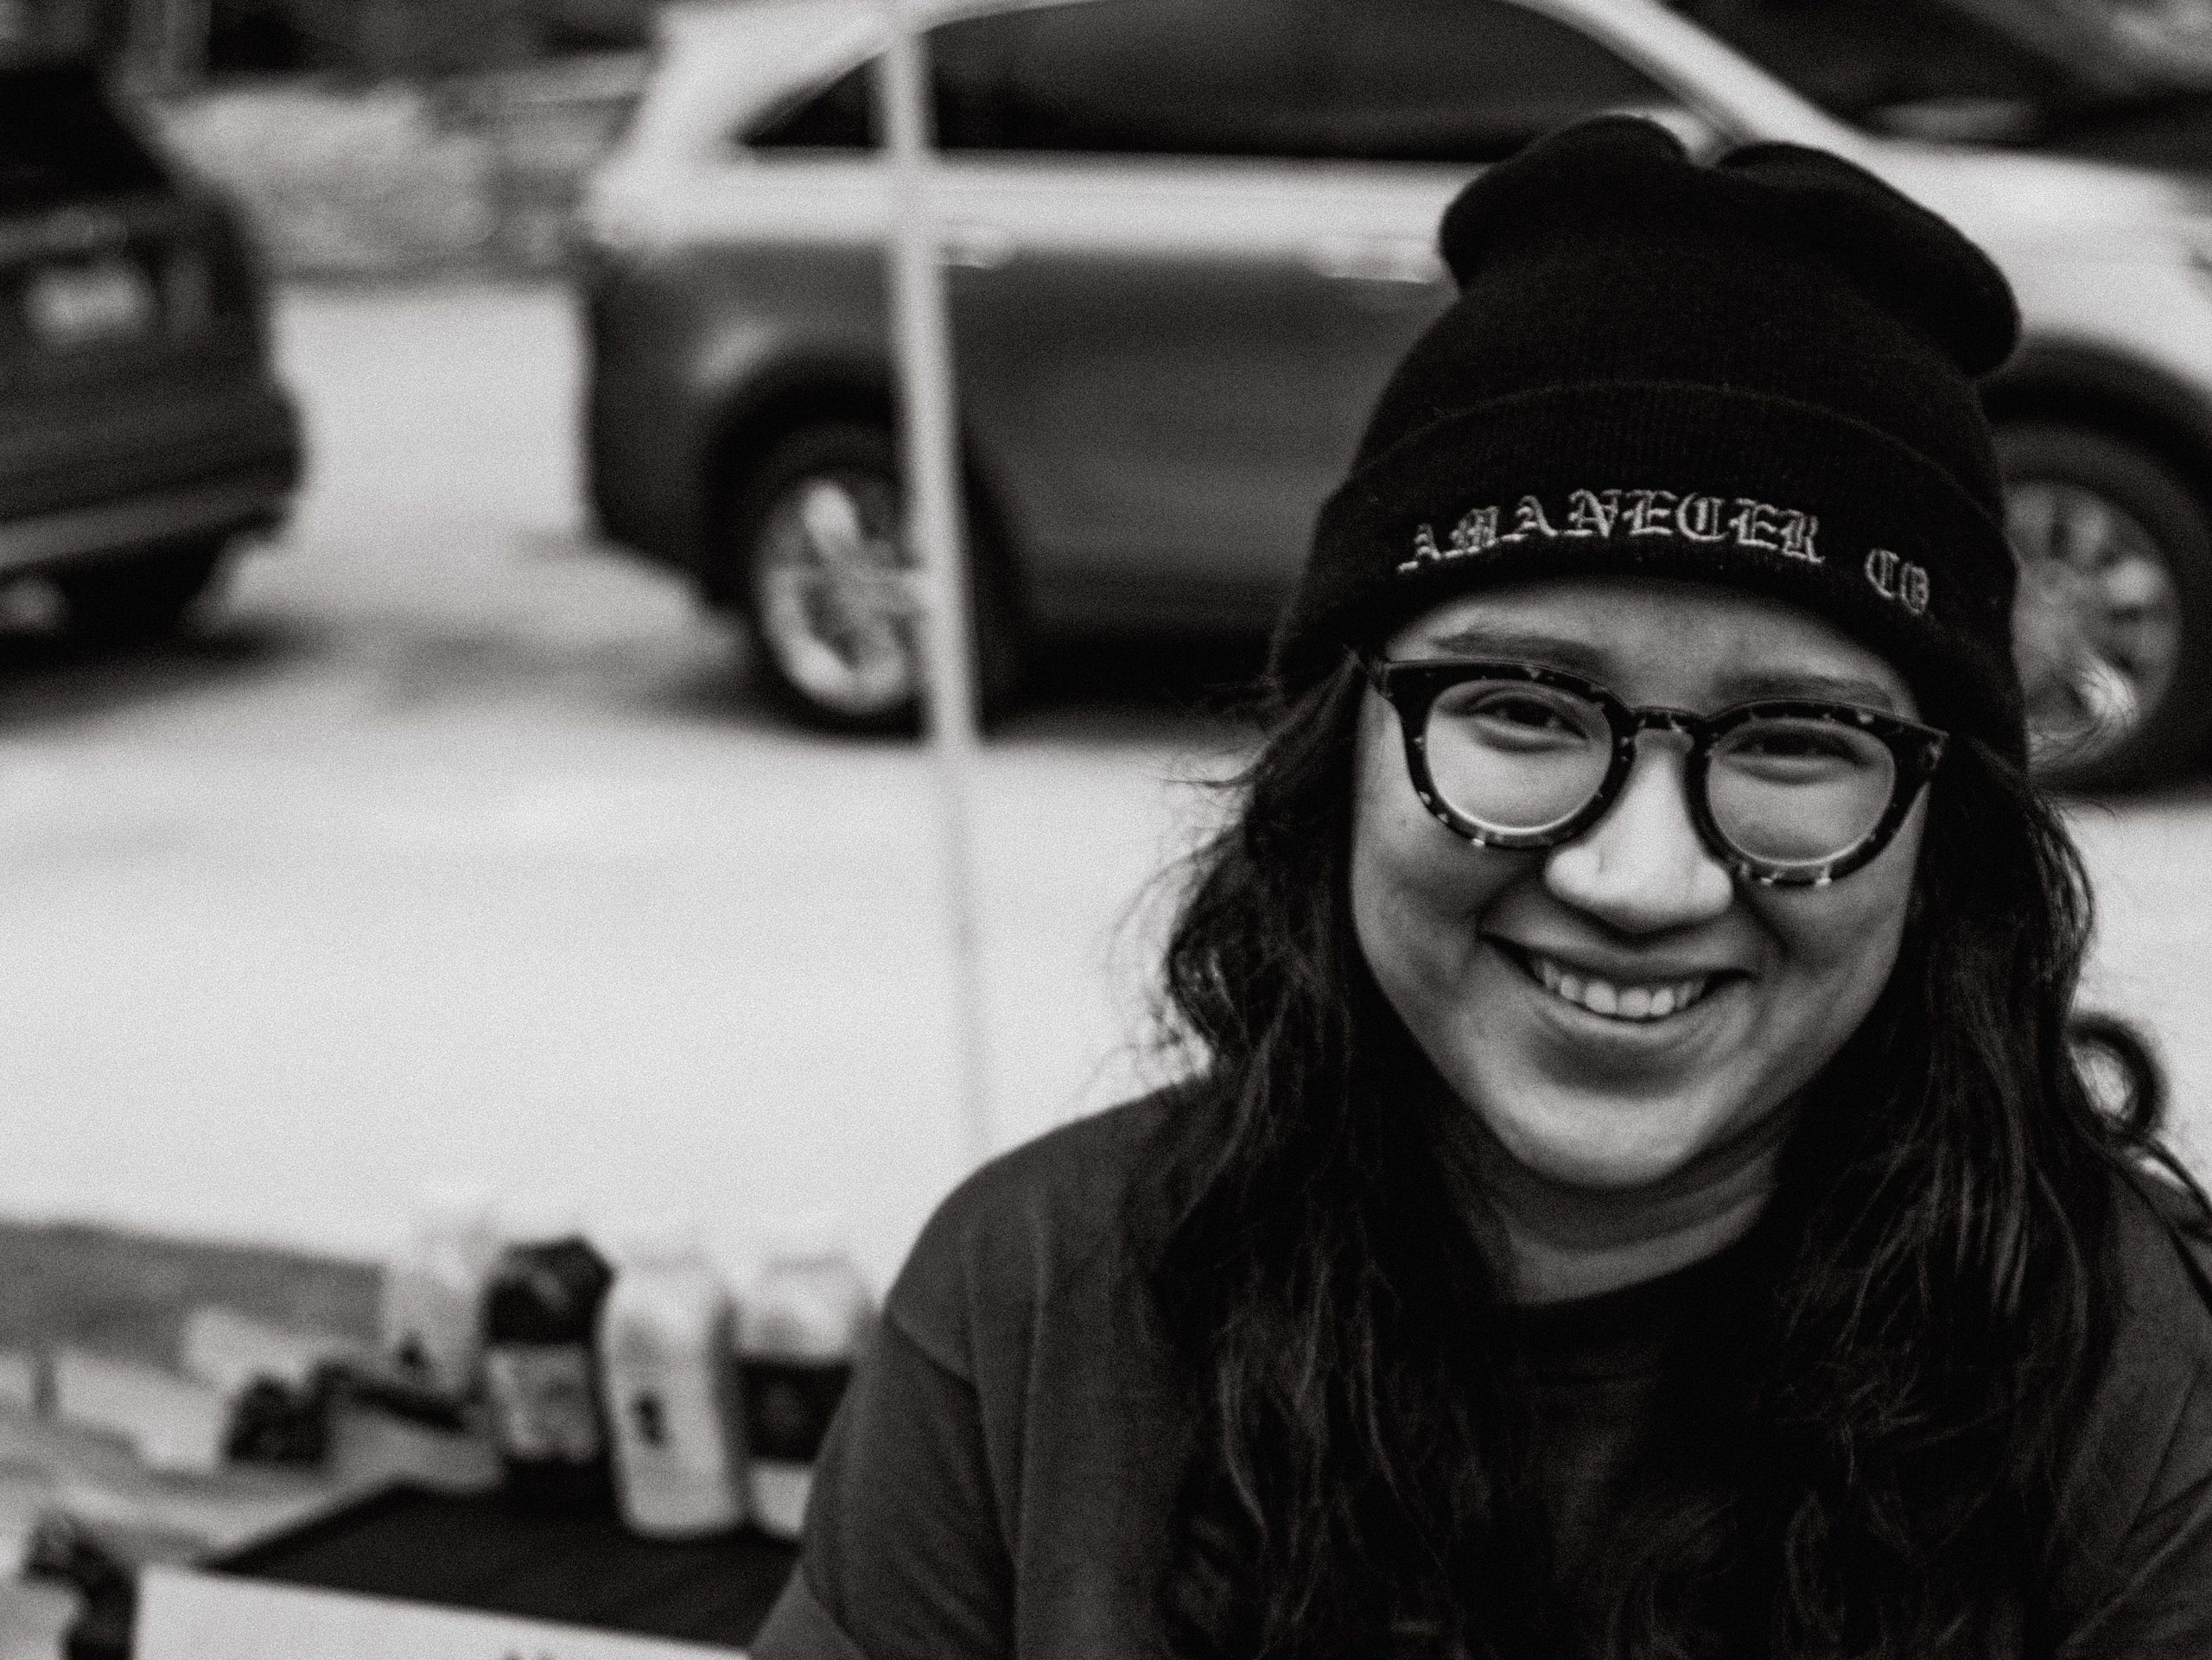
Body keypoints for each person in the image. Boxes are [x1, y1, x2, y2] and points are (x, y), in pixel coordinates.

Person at [749, 118, 2212, 1658]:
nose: (1640, 877)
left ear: (1948, 844)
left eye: (1797, 738)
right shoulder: (1036, 1307)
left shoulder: (2129, 1395)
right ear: (1343, 754)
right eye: (1523, 709)